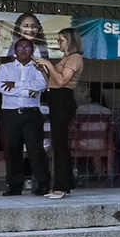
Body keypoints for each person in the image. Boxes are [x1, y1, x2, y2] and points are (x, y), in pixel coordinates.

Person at [0, 37, 50, 197]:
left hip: (32, 114)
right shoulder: (4, 68)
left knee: (36, 151)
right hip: (11, 115)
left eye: (27, 48)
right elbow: (1, 87)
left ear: (33, 51)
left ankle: (42, 185)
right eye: (20, 48)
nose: (23, 50)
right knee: (12, 151)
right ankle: (14, 186)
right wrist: (29, 90)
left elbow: (42, 85)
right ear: (15, 51)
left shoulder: (38, 69)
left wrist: (17, 85)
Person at [36, 27, 84, 199]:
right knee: (59, 143)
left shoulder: (75, 58)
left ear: (70, 40)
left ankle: (60, 186)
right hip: (55, 99)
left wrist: (48, 63)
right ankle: (65, 183)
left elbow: (63, 80)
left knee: (60, 143)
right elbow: (54, 79)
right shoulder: (65, 58)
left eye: (61, 40)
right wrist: (44, 69)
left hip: (63, 100)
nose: (58, 43)